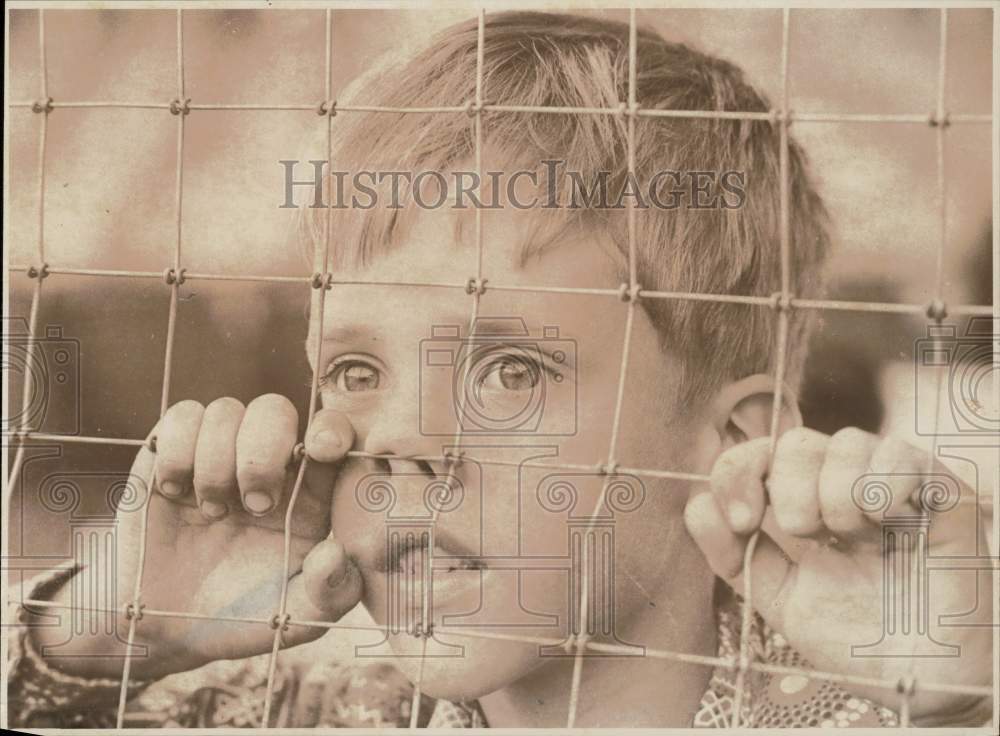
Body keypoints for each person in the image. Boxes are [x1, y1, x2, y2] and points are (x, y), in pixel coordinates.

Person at [8, 11, 992, 728]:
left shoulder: (871, 706)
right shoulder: (305, 708)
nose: (398, 438)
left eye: (510, 370)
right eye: (355, 370)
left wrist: (956, 701)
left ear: (735, 440)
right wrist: (99, 635)